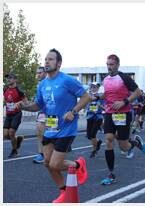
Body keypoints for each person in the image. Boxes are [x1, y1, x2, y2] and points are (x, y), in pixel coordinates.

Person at [16, 48, 91, 203]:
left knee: (55, 163)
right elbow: (38, 105)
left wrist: (74, 111)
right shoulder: (42, 84)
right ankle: (64, 192)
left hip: (66, 128)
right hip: (50, 128)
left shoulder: (66, 80)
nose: (46, 62)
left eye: (50, 59)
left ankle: (78, 165)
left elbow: (86, 97)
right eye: (45, 59)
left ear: (59, 63)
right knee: (47, 163)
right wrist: (24, 106)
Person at [100, 54, 145, 185]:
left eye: (111, 64)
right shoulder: (105, 79)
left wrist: (124, 102)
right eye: (107, 64)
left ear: (117, 65)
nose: (109, 67)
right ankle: (111, 174)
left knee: (124, 146)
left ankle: (135, 143)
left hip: (123, 113)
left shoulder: (124, 77)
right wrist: (97, 97)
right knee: (108, 140)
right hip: (109, 113)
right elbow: (107, 94)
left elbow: (137, 92)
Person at [4, 72, 27, 158]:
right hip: (8, 115)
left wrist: (20, 102)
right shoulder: (5, 89)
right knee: (5, 135)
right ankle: (17, 140)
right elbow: (6, 100)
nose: (8, 79)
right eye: (8, 78)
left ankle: (14, 151)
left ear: (15, 79)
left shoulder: (19, 91)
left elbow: (26, 102)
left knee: (11, 133)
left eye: (10, 78)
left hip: (16, 114)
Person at [33, 66, 47, 163]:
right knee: (39, 133)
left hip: (50, 112)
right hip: (41, 112)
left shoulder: (47, 83)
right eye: (37, 73)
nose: (38, 75)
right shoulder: (39, 85)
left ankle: (44, 154)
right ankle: (41, 154)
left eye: (40, 73)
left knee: (45, 133)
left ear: (45, 73)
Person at [85, 82, 103, 158]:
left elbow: (106, 107)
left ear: (98, 88)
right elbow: (85, 105)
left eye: (95, 87)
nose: (94, 88)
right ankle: (98, 141)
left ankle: (94, 150)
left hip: (98, 117)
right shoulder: (88, 96)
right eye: (92, 87)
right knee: (89, 136)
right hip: (90, 117)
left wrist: (100, 106)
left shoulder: (101, 96)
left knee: (92, 135)